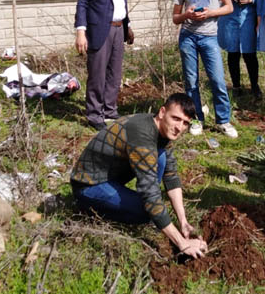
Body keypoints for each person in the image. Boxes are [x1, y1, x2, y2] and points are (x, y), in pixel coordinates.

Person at [71, 93, 208, 259]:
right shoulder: (141, 134)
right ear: (162, 112)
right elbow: (149, 192)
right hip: (89, 185)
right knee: (145, 213)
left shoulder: (163, 131)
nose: (179, 127)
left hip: (112, 177)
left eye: (185, 123)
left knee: (162, 158)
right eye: (176, 118)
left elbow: (171, 176)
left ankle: (142, 207)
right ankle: (89, 209)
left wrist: (184, 222)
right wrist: (182, 243)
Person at [172, 0, 238, 138]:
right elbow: (175, 18)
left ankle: (223, 121)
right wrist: (187, 15)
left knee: (217, 79)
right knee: (191, 81)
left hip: (209, 37)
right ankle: (196, 119)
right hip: (188, 37)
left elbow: (229, 7)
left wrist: (211, 13)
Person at [75, 0, 135, 130]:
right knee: (97, 74)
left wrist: (127, 26)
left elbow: (121, 1)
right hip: (99, 29)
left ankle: (109, 111)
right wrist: (80, 31)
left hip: (119, 29)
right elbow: (82, 2)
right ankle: (94, 114)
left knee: (114, 74)